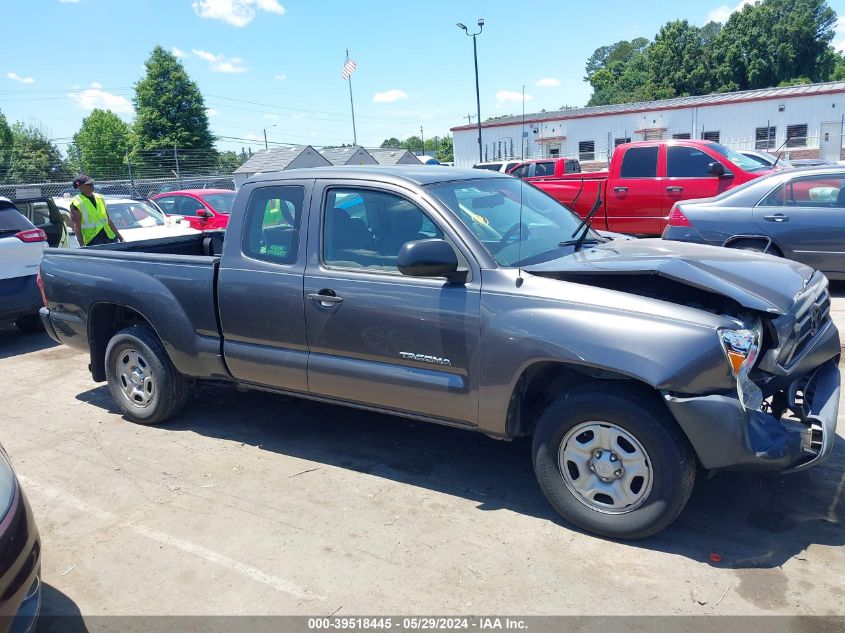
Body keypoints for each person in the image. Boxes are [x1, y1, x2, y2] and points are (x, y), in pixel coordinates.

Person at [68, 175, 124, 246]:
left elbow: (108, 220)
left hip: (110, 235)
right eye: (88, 184)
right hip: (93, 239)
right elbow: (77, 227)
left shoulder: (99, 197)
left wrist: (120, 238)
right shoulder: (77, 202)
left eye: (92, 183)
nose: (91, 185)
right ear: (79, 186)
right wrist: (82, 246)